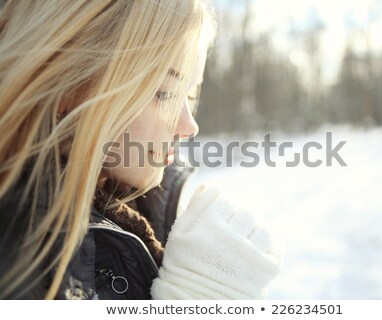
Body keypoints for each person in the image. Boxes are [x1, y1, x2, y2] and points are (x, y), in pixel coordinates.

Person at [0, 0, 281, 299]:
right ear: (67, 84)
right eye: (165, 93)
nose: (190, 126)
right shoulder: (17, 257)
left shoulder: (150, 210)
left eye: (189, 94)